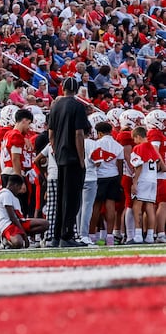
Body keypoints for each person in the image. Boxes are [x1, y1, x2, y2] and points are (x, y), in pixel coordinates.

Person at [46, 77, 92, 247]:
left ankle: (56, 236)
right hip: (73, 156)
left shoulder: (55, 105)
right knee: (72, 199)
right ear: (77, 89)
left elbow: (51, 134)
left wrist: (56, 151)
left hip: (60, 156)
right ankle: (67, 235)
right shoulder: (78, 106)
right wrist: (81, 158)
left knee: (60, 198)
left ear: (62, 87)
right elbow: (79, 134)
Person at [0, 173, 49, 248]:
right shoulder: (5, 195)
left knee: (45, 224)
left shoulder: (13, 196)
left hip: (18, 221)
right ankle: (6, 241)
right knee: (18, 243)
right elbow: (12, 217)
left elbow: (18, 217)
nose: (19, 191)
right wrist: (25, 235)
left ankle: (20, 235)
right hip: (7, 225)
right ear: (15, 185)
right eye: (19, 188)